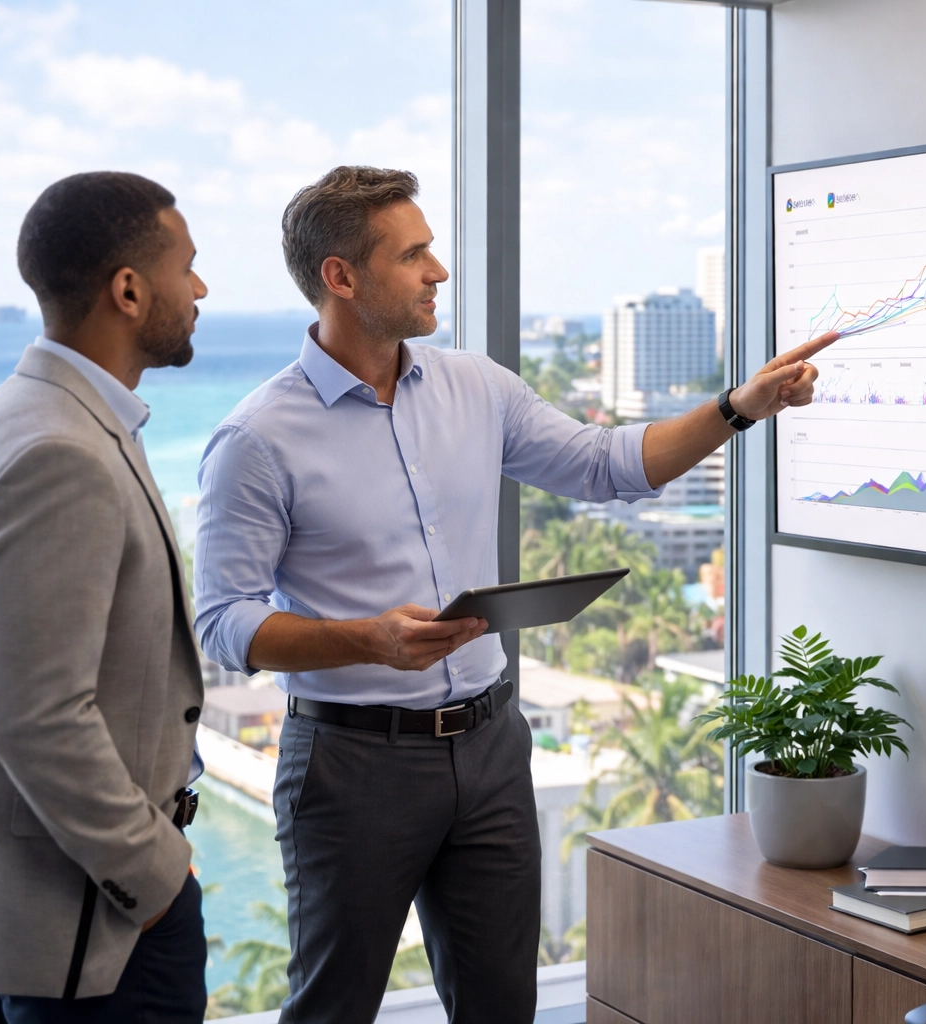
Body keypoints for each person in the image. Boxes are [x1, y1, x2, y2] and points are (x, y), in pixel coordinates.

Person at [194, 164, 833, 1024]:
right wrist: (366, 639)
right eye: (414, 254)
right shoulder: (256, 439)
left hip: (491, 747)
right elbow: (223, 623)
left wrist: (740, 406)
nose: (439, 272)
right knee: (333, 1009)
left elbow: (609, 466)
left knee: (502, 1007)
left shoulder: (476, 387)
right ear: (340, 277)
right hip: (354, 767)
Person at [0, 171, 211, 1023]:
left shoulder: (13, 413)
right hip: (91, 929)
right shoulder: (60, 451)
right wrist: (153, 878)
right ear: (130, 290)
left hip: (32, 918)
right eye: (189, 265)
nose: (202, 288)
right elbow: (37, 717)